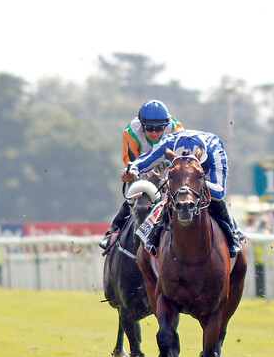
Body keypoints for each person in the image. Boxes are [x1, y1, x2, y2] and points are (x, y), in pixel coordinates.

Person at [121, 129, 244, 258]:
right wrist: (131, 172)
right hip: (182, 178)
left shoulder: (214, 150)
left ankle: (233, 236)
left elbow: (219, 191)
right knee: (172, 197)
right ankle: (153, 235)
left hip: (202, 175)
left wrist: (192, 182)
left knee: (216, 201)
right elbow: (143, 161)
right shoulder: (167, 144)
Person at [99, 100, 184, 252]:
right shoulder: (130, 132)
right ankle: (113, 230)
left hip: (168, 169)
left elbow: (179, 159)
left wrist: (164, 169)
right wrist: (129, 175)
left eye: (159, 129)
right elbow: (131, 162)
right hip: (142, 169)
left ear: (165, 126)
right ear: (142, 125)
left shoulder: (176, 129)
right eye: (150, 128)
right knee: (140, 199)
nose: (154, 133)